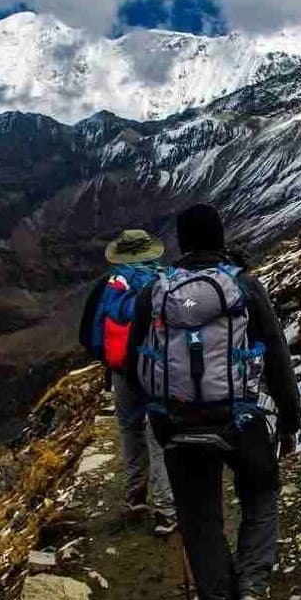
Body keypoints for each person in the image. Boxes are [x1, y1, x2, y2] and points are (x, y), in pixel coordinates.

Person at [134, 205, 301, 600]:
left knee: (202, 525)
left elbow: (134, 363)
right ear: (221, 238)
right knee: (262, 492)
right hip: (240, 419)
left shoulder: (155, 293)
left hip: (177, 423)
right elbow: (276, 356)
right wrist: (289, 418)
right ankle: (251, 584)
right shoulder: (244, 287)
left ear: (182, 244)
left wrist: (157, 418)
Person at [102, 229, 177, 537]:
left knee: (129, 428)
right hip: (157, 367)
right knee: (158, 434)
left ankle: (136, 497)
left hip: (122, 369)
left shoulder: (114, 283)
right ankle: (166, 509)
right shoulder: (166, 279)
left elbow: (98, 325)